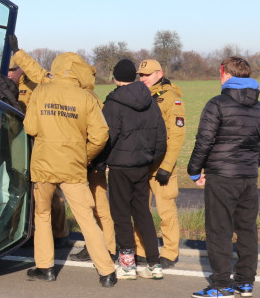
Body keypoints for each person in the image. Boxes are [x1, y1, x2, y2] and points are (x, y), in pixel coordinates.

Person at [10, 36, 115, 254]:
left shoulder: (88, 97)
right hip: (76, 160)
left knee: (97, 207)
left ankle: (108, 248)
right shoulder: (67, 89)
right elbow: (39, 74)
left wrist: (88, 157)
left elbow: (101, 133)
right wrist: (18, 53)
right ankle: (103, 260)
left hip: (86, 161)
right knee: (86, 210)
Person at [187, 56, 260, 298]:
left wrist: (194, 171)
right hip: (248, 177)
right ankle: (245, 282)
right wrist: (250, 165)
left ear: (225, 73)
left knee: (219, 230)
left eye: (219, 72)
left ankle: (221, 285)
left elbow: (204, 141)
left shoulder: (217, 104)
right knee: (247, 229)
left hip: (222, 177)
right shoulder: (259, 107)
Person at [100, 59, 167, 280]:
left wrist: (102, 162)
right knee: (143, 212)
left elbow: (107, 137)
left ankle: (127, 265)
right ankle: (154, 264)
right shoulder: (150, 99)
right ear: (134, 77)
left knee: (120, 214)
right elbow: (161, 136)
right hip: (142, 165)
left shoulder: (113, 102)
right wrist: (151, 159)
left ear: (115, 78)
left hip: (120, 166)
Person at [136, 58, 188, 268]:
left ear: (160, 73)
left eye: (147, 74)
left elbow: (177, 136)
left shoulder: (171, 99)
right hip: (141, 162)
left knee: (166, 210)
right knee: (140, 209)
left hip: (161, 165)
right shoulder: (140, 96)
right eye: (141, 75)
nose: (143, 78)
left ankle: (169, 252)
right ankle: (141, 249)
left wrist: (167, 167)